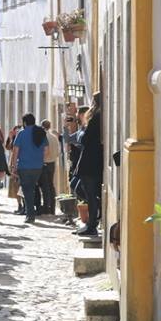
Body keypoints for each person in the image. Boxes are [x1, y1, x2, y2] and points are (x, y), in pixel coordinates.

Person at [9, 113, 48, 224]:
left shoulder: (21, 133)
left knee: (27, 191)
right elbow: (46, 150)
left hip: (24, 166)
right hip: (37, 167)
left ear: (25, 122)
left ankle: (30, 215)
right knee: (33, 188)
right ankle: (32, 212)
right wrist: (42, 161)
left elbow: (16, 151)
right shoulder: (41, 133)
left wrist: (13, 166)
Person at [75, 93, 104, 236]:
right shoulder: (101, 116)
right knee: (87, 192)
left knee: (87, 192)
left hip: (90, 161)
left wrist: (80, 134)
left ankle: (92, 223)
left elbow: (85, 139)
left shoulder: (95, 117)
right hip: (95, 160)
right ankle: (93, 219)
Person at [40, 119, 60, 215]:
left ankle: (46, 207)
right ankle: (52, 208)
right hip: (52, 163)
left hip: (43, 163)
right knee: (51, 185)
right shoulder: (54, 137)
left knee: (45, 186)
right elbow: (58, 152)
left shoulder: (42, 137)